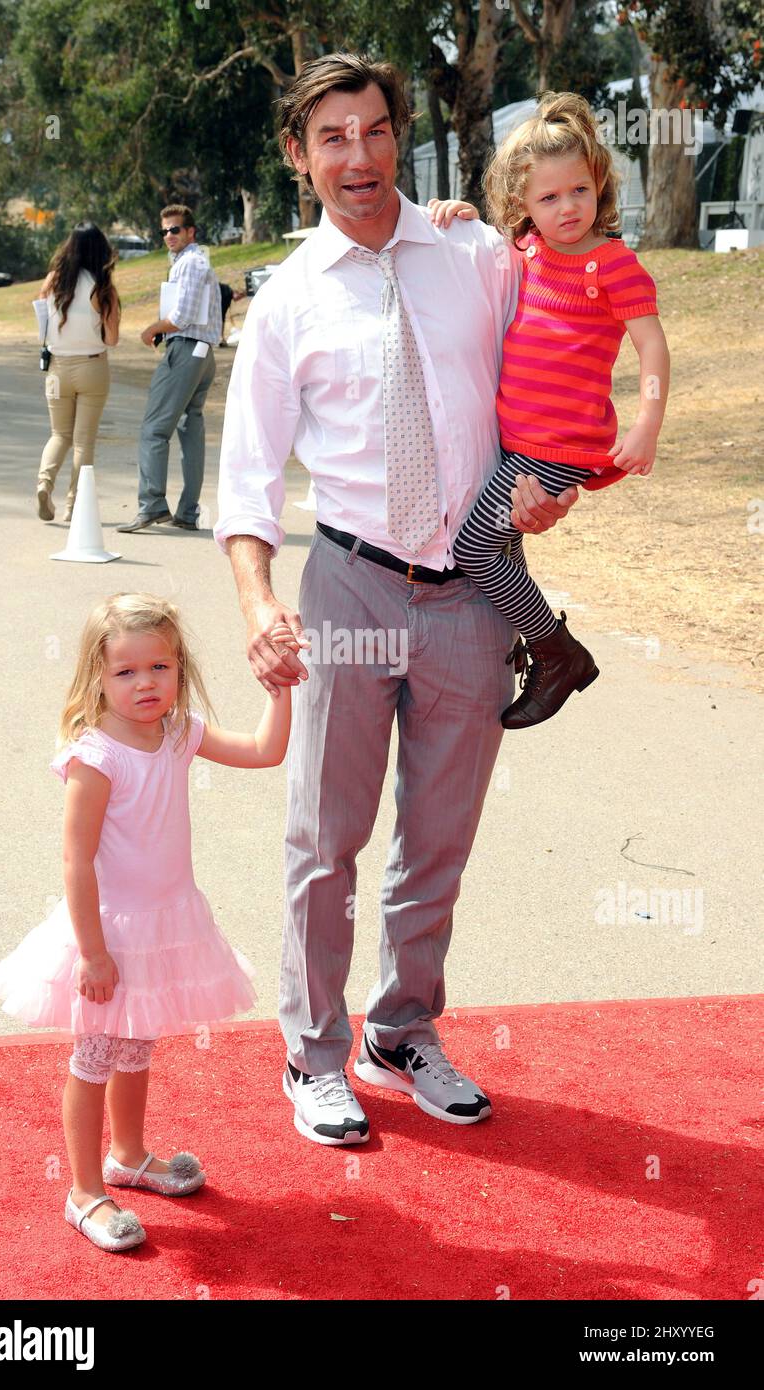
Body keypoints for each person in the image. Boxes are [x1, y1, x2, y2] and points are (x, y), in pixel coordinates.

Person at [214, 53, 579, 1148]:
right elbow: (244, 486)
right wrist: (255, 603)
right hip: (346, 581)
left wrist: (549, 480)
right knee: (325, 836)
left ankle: (401, 1028)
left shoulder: (474, 254)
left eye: (374, 132)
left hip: (471, 592)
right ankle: (313, 1053)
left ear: (398, 138)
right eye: (332, 138)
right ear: (298, 155)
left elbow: (557, 348)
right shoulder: (283, 303)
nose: (358, 158)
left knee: (438, 834)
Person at [0, 593, 290, 1253]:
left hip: (164, 925)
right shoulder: (94, 756)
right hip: (107, 933)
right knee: (94, 1056)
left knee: (137, 1044)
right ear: (97, 676)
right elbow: (76, 861)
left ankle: (127, 1155)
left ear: (180, 669)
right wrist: (93, 955)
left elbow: (266, 751)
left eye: (160, 666)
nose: (146, 682)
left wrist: (280, 689)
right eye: (125, 672)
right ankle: (84, 1192)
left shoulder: (179, 733)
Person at [430, 91, 670, 729]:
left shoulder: (614, 265)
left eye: (580, 192)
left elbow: (652, 348)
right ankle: (524, 642)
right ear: (522, 206)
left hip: (560, 446)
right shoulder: (528, 251)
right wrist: (460, 214)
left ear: (600, 187)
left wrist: (647, 423)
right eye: (548, 198)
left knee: (476, 550)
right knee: (500, 547)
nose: (567, 208)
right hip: (518, 443)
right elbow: (484, 254)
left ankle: (556, 652)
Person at [118, 206, 219, 533]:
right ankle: (187, 512)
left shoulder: (190, 262)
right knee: (192, 432)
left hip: (187, 350)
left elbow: (183, 316)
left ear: (191, 231)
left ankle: (152, 505)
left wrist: (152, 328)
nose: (168, 237)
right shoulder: (195, 261)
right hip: (203, 354)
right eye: (164, 231)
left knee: (154, 429)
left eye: (175, 230)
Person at [36, 222, 121, 524]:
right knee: (84, 441)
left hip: (57, 367)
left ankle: (44, 484)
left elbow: (41, 324)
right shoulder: (103, 286)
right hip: (91, 367)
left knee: (59, 434)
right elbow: (112, 339)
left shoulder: (53, 281)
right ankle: (74, 505)